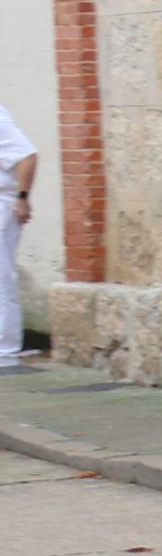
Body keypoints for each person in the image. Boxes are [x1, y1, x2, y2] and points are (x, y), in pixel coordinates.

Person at [0, 91, 30, 364]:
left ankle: (6, 348)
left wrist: (22, 199)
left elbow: (27, 156)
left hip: (3, 204)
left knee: (2, 277)